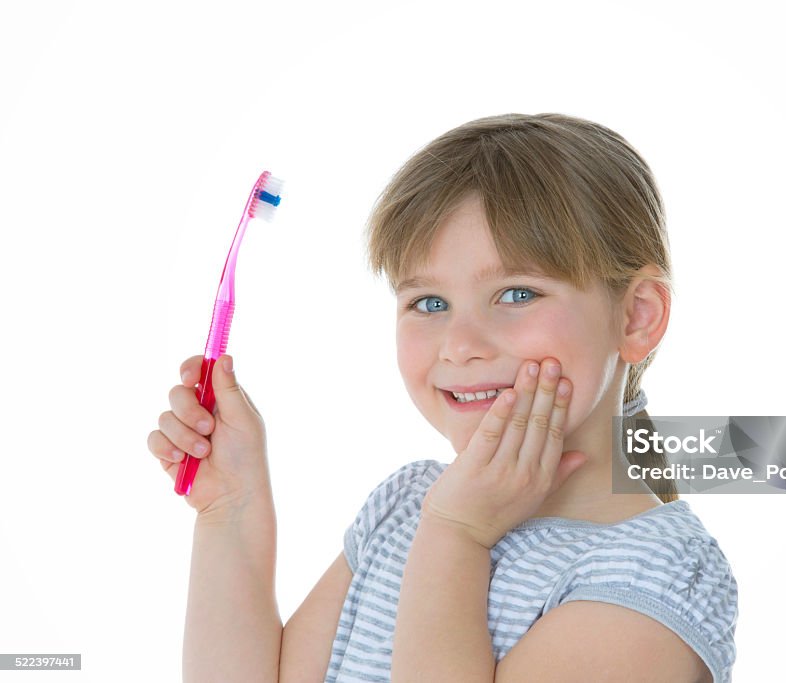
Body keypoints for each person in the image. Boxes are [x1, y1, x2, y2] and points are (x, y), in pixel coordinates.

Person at [148, 113, 739, 682]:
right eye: (429, 303)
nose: (459, 346)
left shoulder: (658, 577)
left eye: (516, 294)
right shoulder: (407, 508)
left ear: (636, 317)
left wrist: (457, 535)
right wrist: (231, 509)